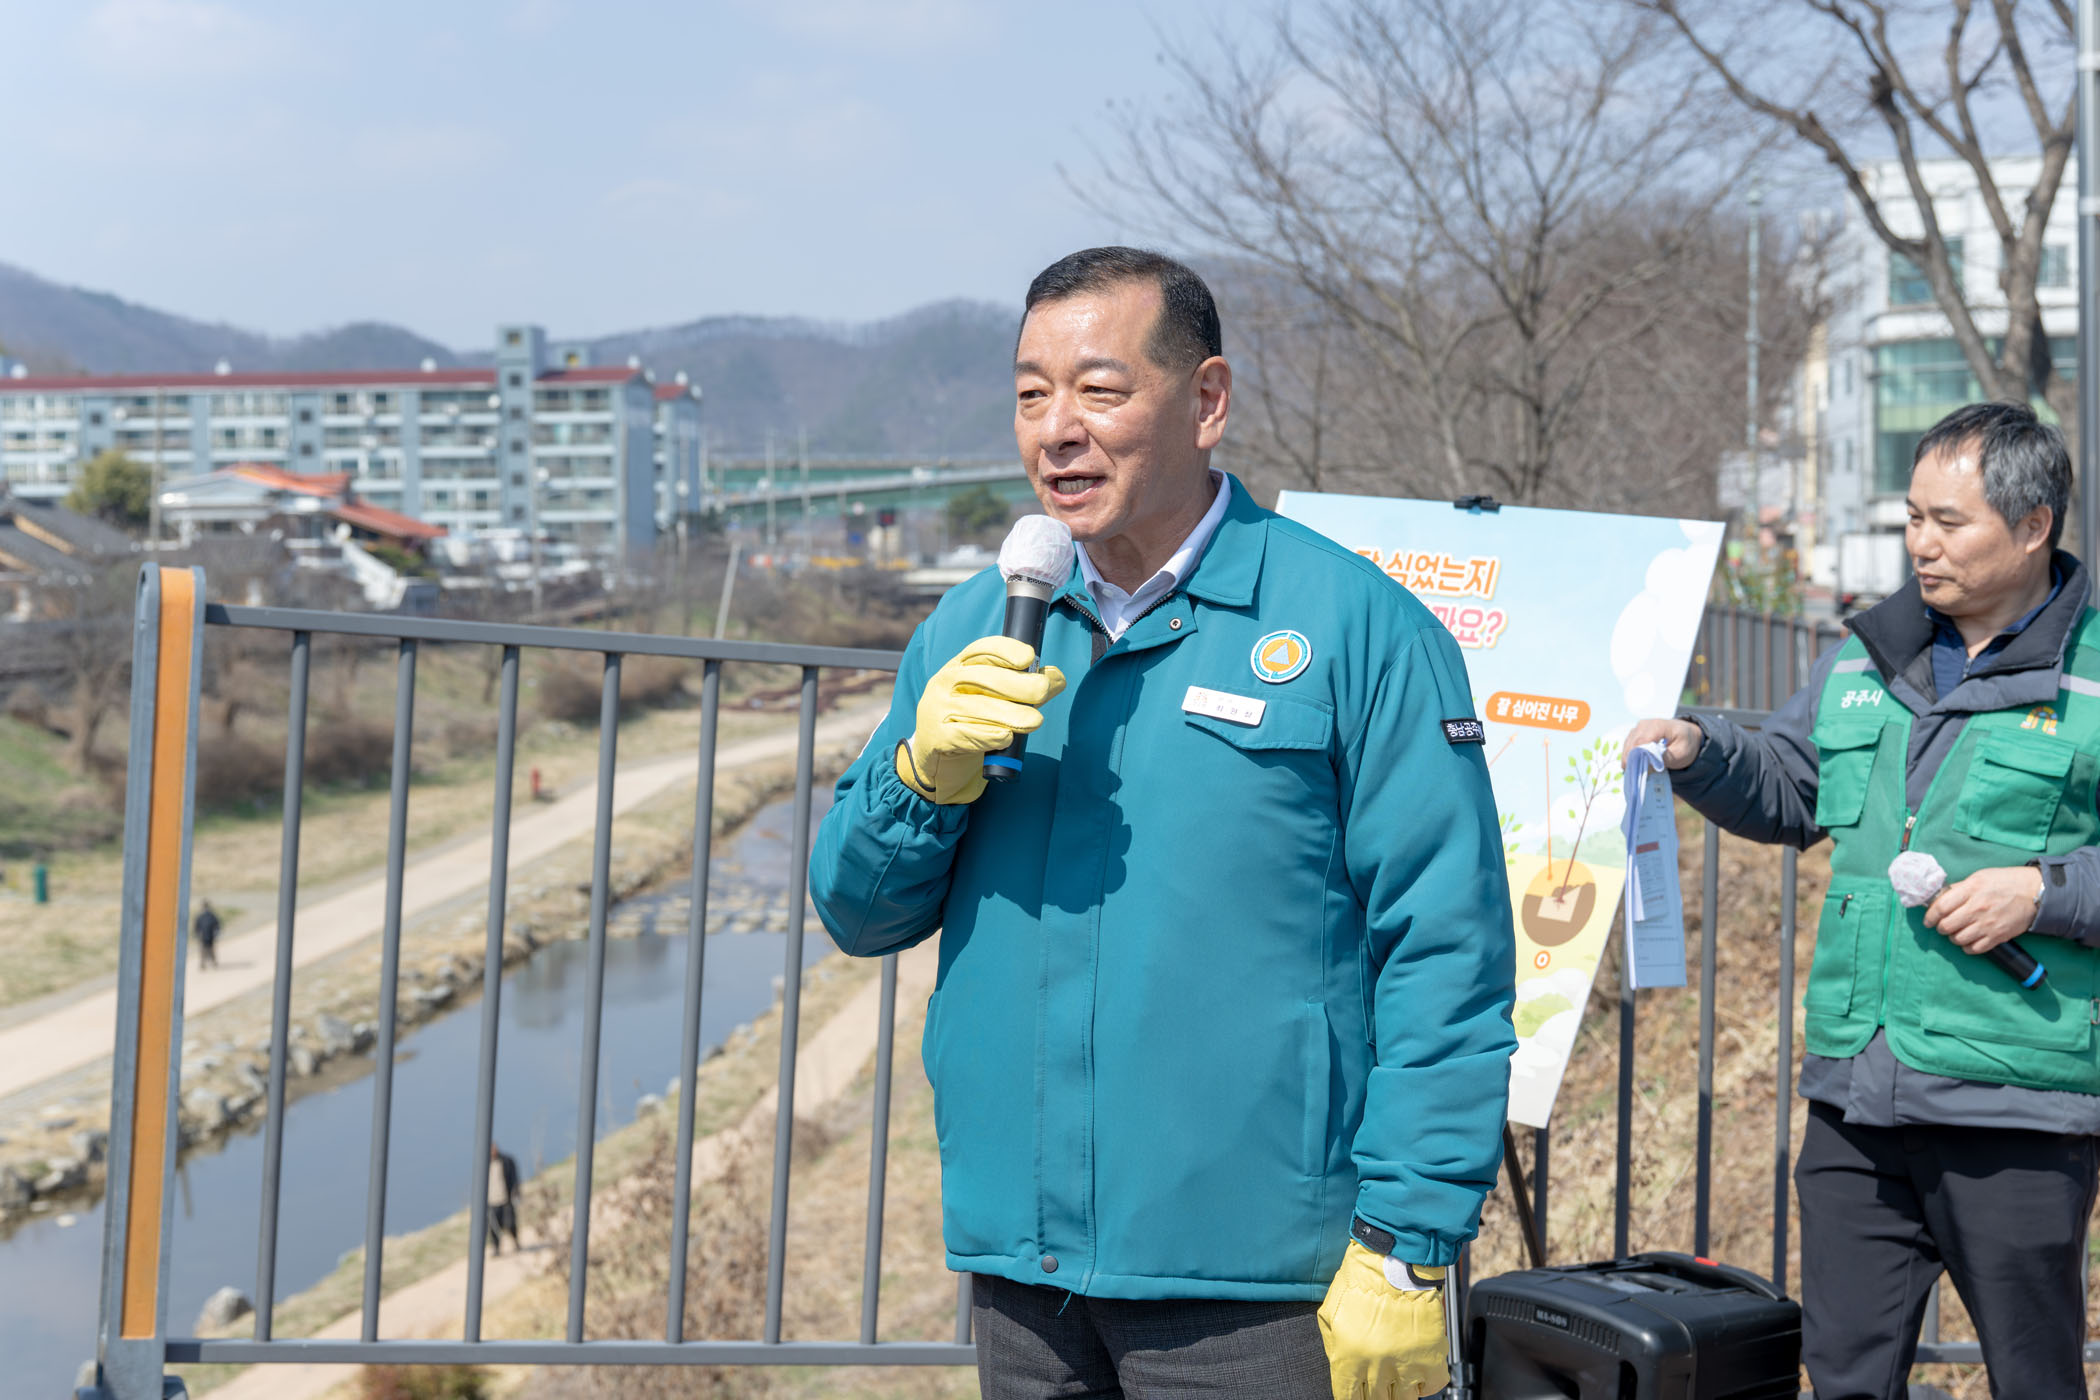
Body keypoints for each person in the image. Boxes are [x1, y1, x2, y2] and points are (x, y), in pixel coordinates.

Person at [810, 247, 1515, 1400]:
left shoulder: (1359, 627)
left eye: (1099, 389)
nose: (1057, 430)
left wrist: (1410, 1236)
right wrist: (918, 775)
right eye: (1030, 394)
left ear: (1207, 400)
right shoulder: (975, 626)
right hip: (1025, 1266)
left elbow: (1446, 948)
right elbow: (857, 910)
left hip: (1260, 1277)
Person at [1628, 401, 2100, 1400]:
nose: (1920, 543)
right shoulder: (1862, 655)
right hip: (1856, 1094)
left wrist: (2044, 891)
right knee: (1843, 1377)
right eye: (1913, 518)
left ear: (2032, 525)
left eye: (1948, 521)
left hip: (2015, 1102)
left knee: (2034, 1380)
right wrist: (1701, 752)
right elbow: (1791, 787)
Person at [486, 1143, 521, 1254]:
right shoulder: (484, 1165)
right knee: (494, 1227)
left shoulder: (506, 1161)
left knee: (510, 1223)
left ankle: (515, 1241)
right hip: (492, 1201)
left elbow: (514, 1178)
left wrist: (516, 1193)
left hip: (506, 1199)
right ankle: (497, 1248)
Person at [193, 901, 220, 971]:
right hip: (204, 936)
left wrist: (216, 933)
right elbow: (196, 927)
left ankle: (213, 962)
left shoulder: (211, 916)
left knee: (210, 950)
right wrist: (197, 934)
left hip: (210, 936)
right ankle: (203, 964)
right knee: (203, 950)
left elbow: (217, 925)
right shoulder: (201, 916)